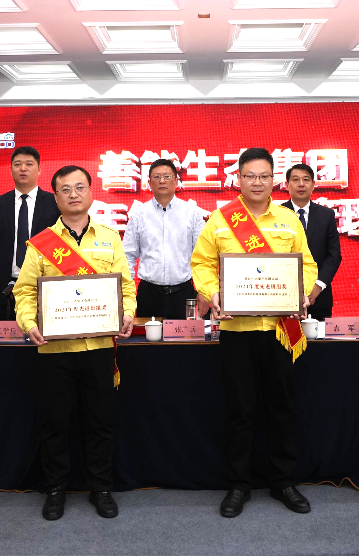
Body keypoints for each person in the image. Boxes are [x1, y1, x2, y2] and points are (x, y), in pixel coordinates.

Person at [191, 147, 318, 518]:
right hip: (238, 329)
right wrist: (213, 293)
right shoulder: (220, 220)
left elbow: (307, 265)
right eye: (250, 176)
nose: (257, 182)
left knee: (282, 407)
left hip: (281, 330)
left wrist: (301, 292)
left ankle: (283, 482)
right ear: (238, 179)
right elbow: (202, 264)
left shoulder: (289, 220)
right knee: (239, 411)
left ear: (274, 180)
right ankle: (238, 485)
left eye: (264, 176)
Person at [14, 165, 136, 521]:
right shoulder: (40, 244)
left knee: (100, 422)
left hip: (99, 348)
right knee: (55, 423)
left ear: (91, 192)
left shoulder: (110, 238)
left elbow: (125, 286)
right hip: (54, 350)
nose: (73, 194)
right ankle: (55, 489)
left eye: (80, 187)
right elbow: (25, 291)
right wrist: (29, 323)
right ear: (56, 197)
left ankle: (101, 487)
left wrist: (127, 313)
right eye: (65, 189)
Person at [0, 146, 58, 320]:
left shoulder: (54, 203)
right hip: (5, 285)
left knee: (41, 332)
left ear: (39, 169)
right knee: (6, 332)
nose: (23, 168)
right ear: (11, 169)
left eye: (29, 164)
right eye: (18, 164)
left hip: (43, 284)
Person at [123, 158, 206, 319]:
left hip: (183, 294)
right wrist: (126, 293)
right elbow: (128, 256)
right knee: (146, 336)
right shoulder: (139, 215)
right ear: (149, 182)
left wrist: (203, 290)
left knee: (184, 335)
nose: (162, 181)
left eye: (167, 176)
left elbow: (202, 256)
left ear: (176, 181)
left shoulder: (192, 213)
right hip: (148, 294)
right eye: (157, 177)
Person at [280, 162, 341, 321]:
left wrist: (318, 285)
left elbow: (334, 255)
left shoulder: (326, 215)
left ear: (313, 184)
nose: (301, 184)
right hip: (283, 296)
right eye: (295, 180)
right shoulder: (277, 214)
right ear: (287, 185)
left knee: (319, 337)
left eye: (306, 180)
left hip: (319, 296)